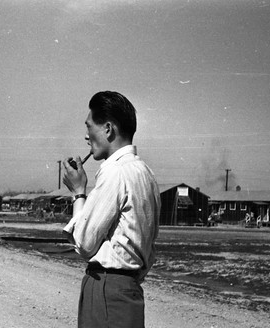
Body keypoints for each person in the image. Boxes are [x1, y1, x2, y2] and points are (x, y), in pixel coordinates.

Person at [62, 91, 161, 328]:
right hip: (130, 290)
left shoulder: (115, 171)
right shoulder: (146, 173)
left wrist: (78, 192)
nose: (86, 136)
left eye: (89, 127)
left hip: (106, 289)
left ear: (108, 129)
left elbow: (84, 242)